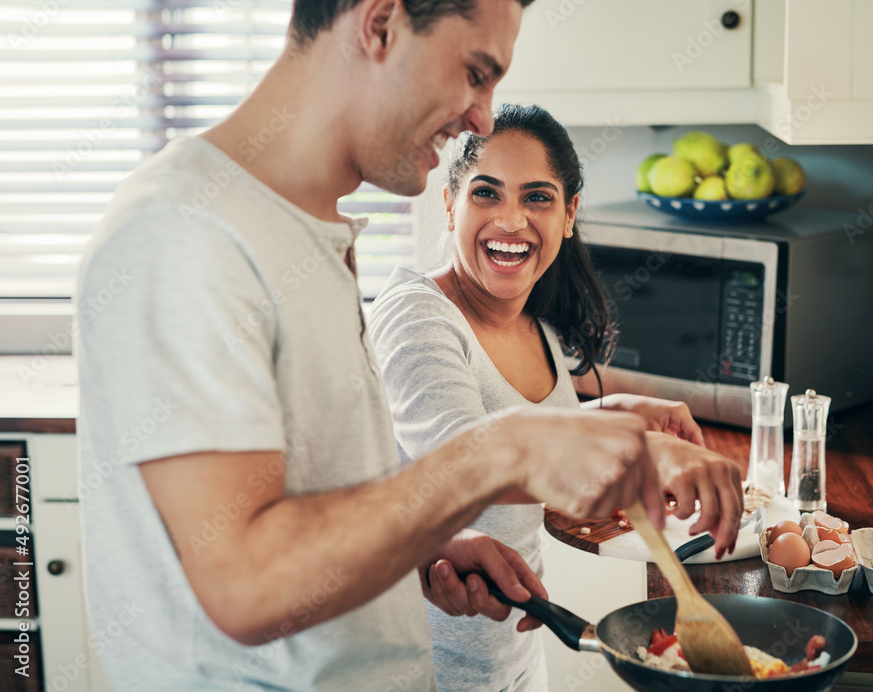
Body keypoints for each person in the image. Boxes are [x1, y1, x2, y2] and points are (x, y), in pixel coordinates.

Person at [74, 3, 670, 691]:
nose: (481, 118)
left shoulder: (307, 234)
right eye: (475, 73)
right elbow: (245, 583)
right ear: (381, 24)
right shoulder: (186, 233)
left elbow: (302, 505)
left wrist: (424, 548)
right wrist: (508, 447)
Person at [369, 104, 745, 691]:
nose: (512, 220)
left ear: (569, 214)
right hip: (420, 669)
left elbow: (528, 426)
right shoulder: (416, 314)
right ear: (449, 205)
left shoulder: (534, 323)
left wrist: (617, 414)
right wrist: (640, 453)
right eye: (486, 194)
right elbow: (465, 455)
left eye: (538, 198)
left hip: (513, 657)